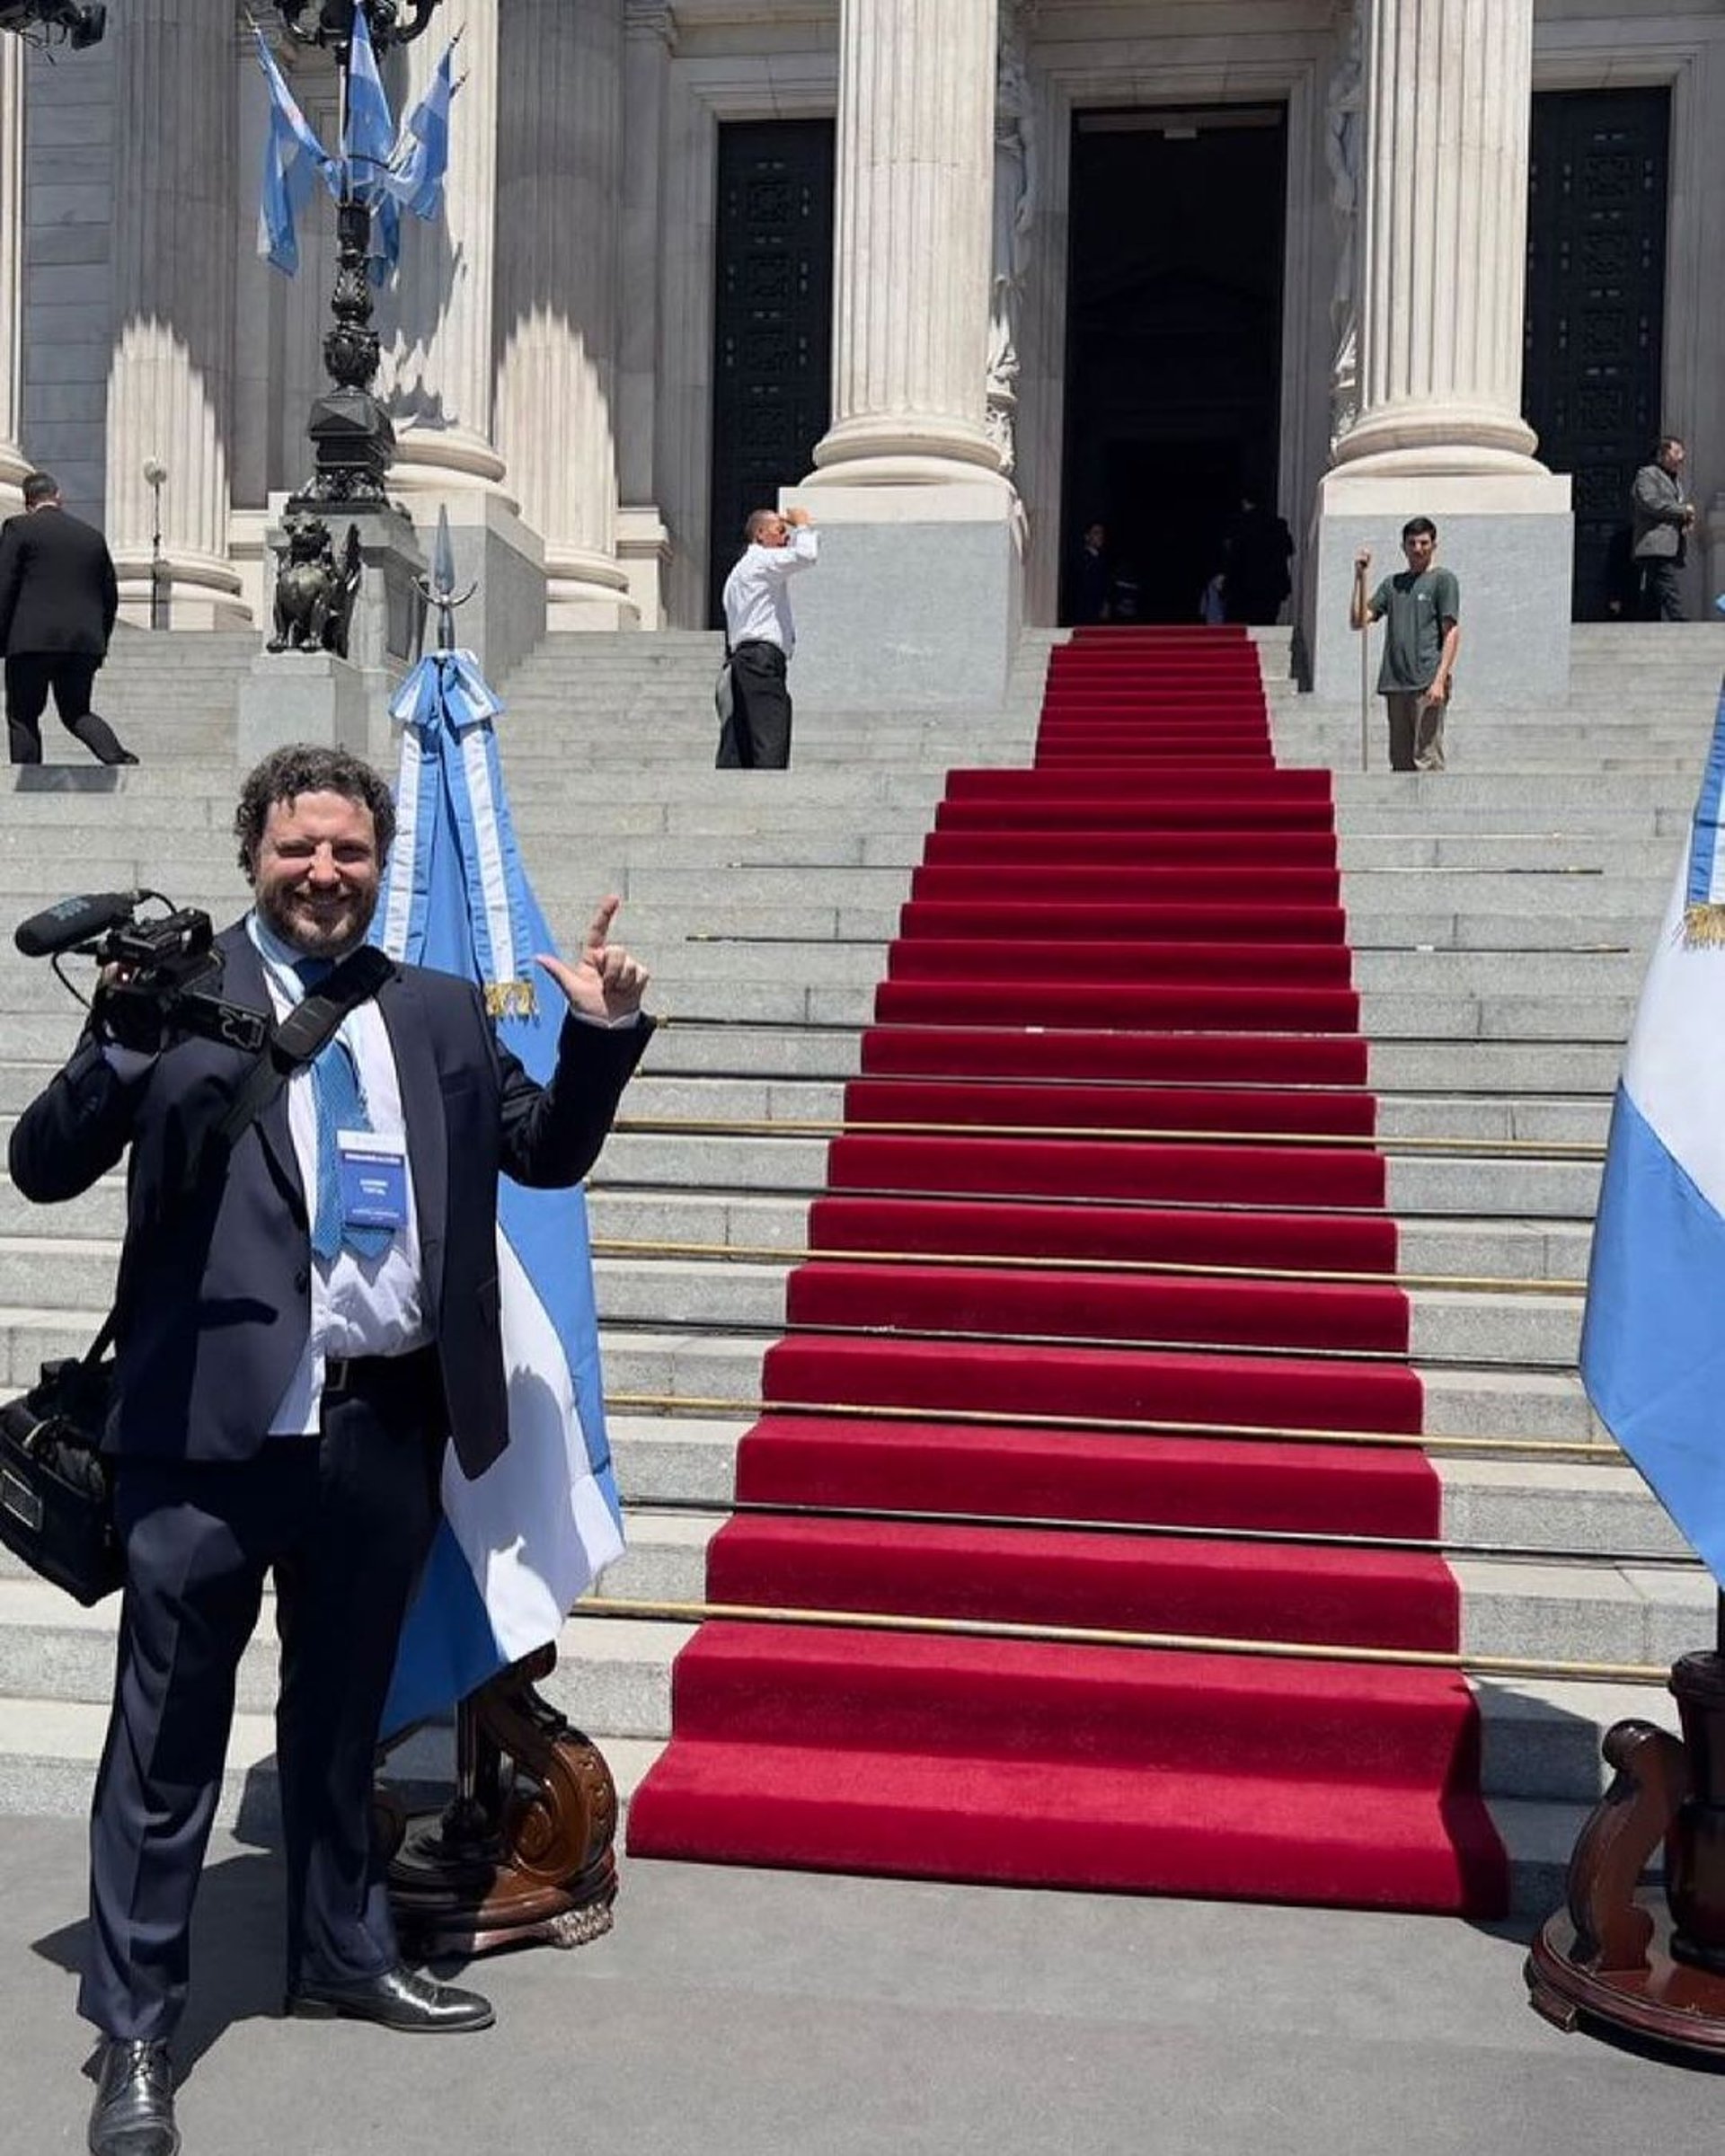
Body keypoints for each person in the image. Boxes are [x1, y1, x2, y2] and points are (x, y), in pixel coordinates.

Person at [8, 743, 653, 2156]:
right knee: (166, 1743)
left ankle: (343, 1949)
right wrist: (120, 1034)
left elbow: (539, 1155)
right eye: (300, 847)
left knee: (345, 1718)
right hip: (208, 1431)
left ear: (378, 865)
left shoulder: (429, 1010)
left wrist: (599, 1034)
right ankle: (135, 2028)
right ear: (256, 854)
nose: (324, 873)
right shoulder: (178, 994)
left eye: (351, 852)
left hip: (381, 1422)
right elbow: (43, 1161)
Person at [0, 468, 136, 766]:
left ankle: (28, 783)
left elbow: (4, 585)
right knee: (76, 712)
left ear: (28, 502)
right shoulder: (92, 537)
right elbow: (109, 597)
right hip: (82, 643)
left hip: (30, 642)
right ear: (58, 497)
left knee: (23, 715)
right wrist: (100, 643)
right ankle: (116, 757)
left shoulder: (18, 529)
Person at [1350, 517, 1461, 773]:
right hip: (1395, 682)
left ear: (1434, 545)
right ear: (1403, 547)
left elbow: (1452, 631)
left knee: (1426, 756)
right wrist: (1359, 578)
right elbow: (1359, 620)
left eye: (1424, 542)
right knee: (1400, 761)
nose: (1418, 549)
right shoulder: (1392, 585)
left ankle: (1432, 811)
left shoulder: (1443, 580)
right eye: (1412, 543)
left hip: (1426, 681)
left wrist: (1440, 679)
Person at [717, 505, 818, 769]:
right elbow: (807, 554)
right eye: (781, 530)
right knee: (770, 733)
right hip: (760, 659)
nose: (787, 537)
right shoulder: (762, 560)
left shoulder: (737, 574)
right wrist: (803, 524)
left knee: (741, 743)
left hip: (742, 660)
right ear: (761, 535)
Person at [1630, 435, 1695, 623]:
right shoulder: (1647, 474)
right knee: (1666, 583)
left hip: (1669, 545)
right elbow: (1651, 502)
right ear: (1663, 454)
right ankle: (1679, 618)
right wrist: (1683, 510)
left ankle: (1644, 620)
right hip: (1654, 543)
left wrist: (1685, 519)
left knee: (1653, 589)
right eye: (1676, 452)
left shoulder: (1675, 481)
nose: (1681, 457)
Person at [1219, 490, 1296, 626]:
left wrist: (1226, 585)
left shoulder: (1240, 525)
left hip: (1244, 588)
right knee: (1266, 626)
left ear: (1245, 502)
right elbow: (1289, 549)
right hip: (1271, 587)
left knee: (1239, 626)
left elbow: (1235, 558)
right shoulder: (1278, 524)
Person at [1073, 519, 1111, 624]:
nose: (1100, 536)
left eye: (1101, 533)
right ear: (1087, 537)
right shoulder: (1081, 559)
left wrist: (1105, 604)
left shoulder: (1103, 559)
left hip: (1098, 611)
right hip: (1085, 611)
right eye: (1096, 533)